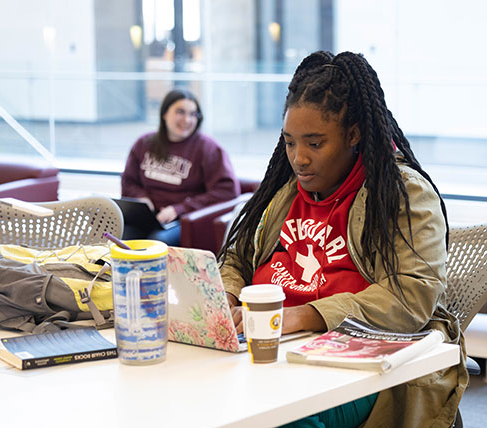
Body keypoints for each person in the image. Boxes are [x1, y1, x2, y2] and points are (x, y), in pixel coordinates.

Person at [217, 51, 469, 428]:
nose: (298, 158)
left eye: (315, 144)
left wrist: (302, 316)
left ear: (353, 135)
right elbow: (238, 257)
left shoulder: (402, 194)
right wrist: (224, 297)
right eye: (290, 142)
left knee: (278, 418)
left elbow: (412, 295)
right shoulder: (284, 189)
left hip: (352, 365)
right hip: (262, 352)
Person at [121, 89, 240, 246]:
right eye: (180, 112)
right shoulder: (144, 143)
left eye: (193, 114)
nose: (187, 119)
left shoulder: (208, 149)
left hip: (181, 220)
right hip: (146, 217)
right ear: (164, 114)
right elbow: (128, 181)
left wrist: (179, 208)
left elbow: (228, 190)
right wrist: (141, 198)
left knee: (156, 244)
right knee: (117, 239)